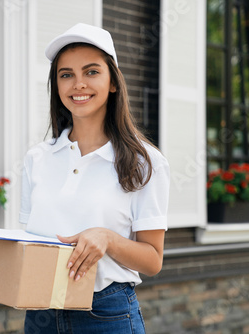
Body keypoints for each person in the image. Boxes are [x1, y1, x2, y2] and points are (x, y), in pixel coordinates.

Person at [19, 23, 170, 333]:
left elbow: (153, 260)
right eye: (66, 74)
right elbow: (33, 241)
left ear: (113, 82)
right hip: (40, 313)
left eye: (91, 72)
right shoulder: (38, 158)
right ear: (57, 86)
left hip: (106, 315)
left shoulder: (145, 162)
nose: (78, 84)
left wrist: (108, 238)